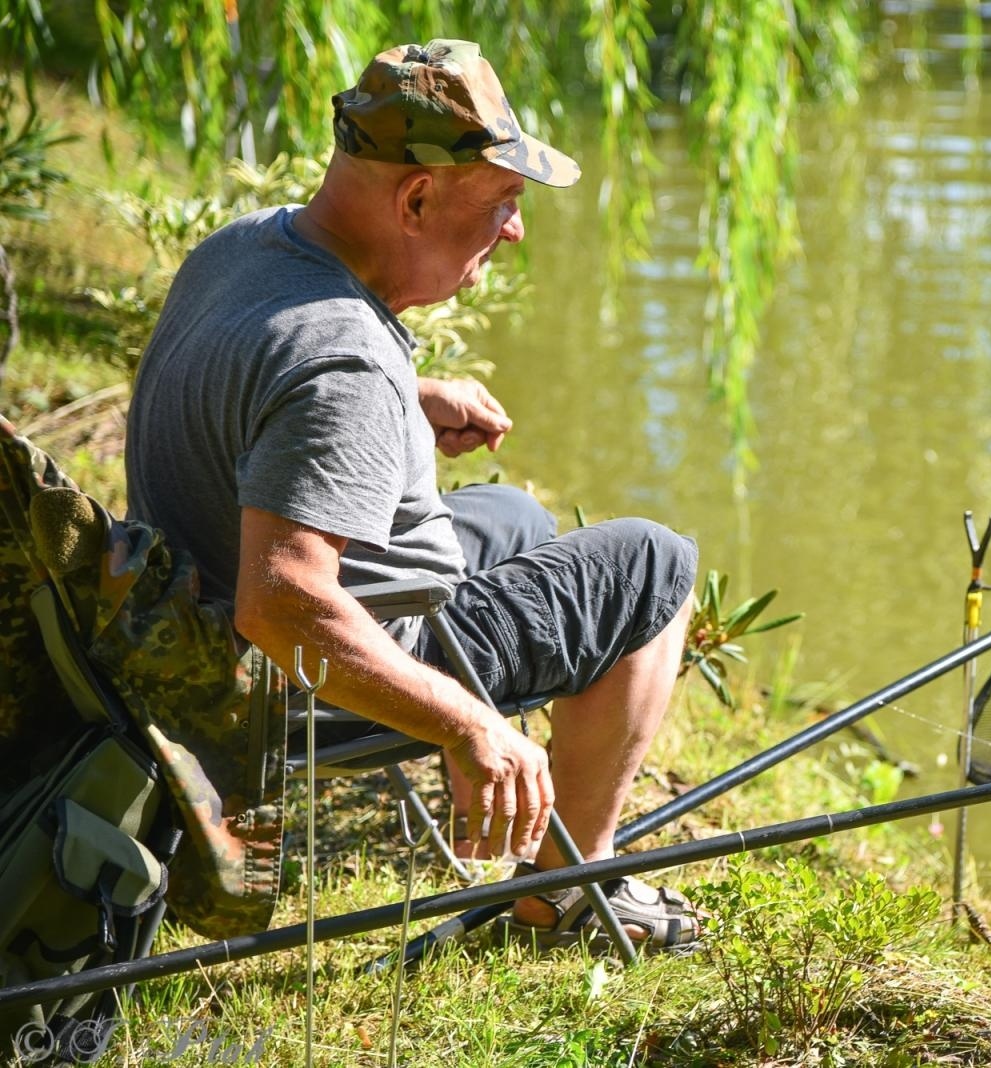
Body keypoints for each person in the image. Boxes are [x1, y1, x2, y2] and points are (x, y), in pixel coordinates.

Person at [124, 39, 702, 952]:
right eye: (503, 205)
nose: (514, 231)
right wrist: (469, 724)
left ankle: (534, 825)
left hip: (183, 620)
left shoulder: (245, 250)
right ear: (418, 199)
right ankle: (564, 894)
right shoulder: (341, 360)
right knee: (652, 567)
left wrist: (405, 406)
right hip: (291, 681)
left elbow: (252, 391)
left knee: (517, 518)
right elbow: (280, 603)